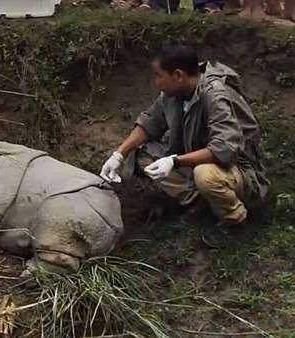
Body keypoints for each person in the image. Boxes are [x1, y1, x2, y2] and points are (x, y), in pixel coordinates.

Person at [100, 43, 269, 248]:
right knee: (143, 155)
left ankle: (235, 220)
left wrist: (175, 161)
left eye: (158, 76)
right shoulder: (173, 95)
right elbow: (150, 122)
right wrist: (119, 154)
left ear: (178, 75)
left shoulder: (215, 96)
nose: (156, 82)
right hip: (195, 157)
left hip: (238, 170)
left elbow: (224, 148)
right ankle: (200, 203)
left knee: (205, 176)